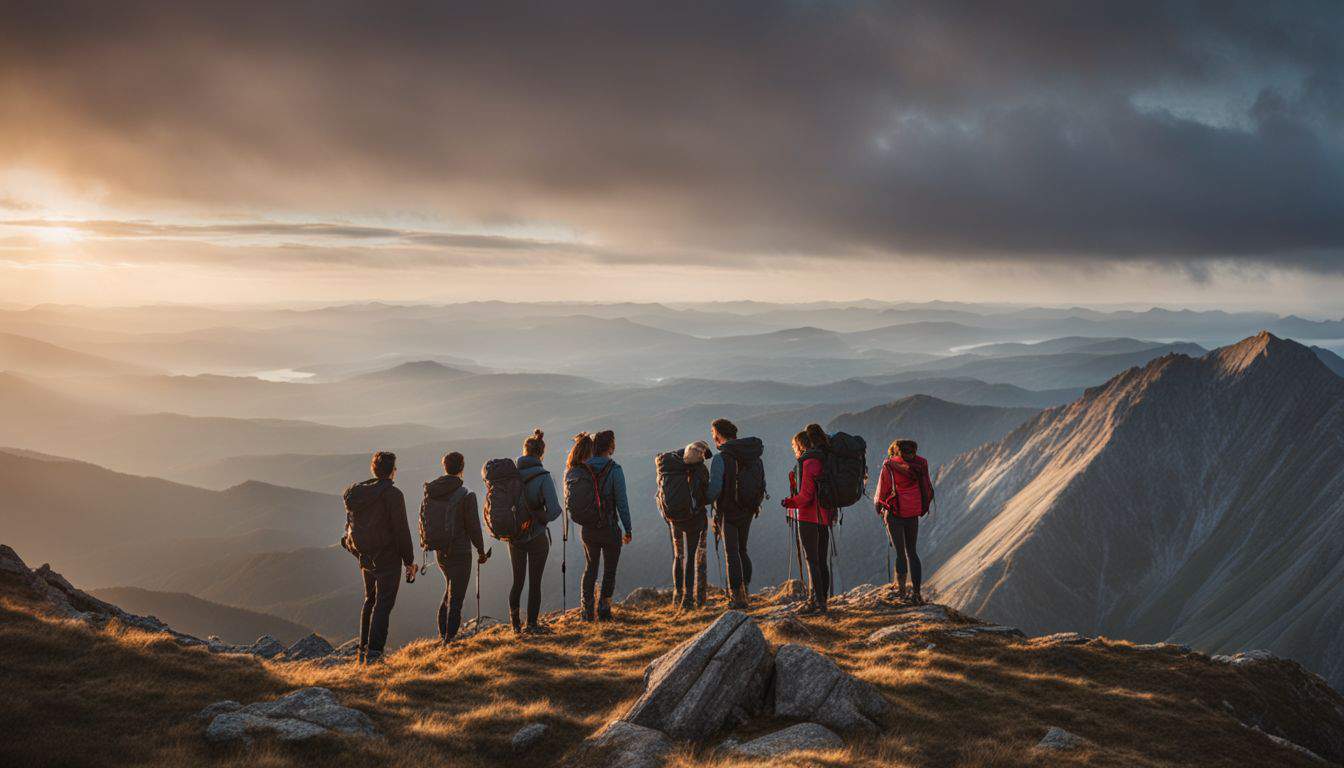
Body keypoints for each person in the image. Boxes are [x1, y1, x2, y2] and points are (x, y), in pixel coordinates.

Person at [341, 451, 415, 665]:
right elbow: (401, 530)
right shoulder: (393, 495)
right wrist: (408, 561)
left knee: (370, 601)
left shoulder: (356, 494)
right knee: (383, 604)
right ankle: (374, 655)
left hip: (364, 556)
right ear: (392, 471)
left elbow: (350, 525)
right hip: (387, 557)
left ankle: (363, 650)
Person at [421, 451, 488, 644]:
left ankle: (444, 636)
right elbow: (474, 527)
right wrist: (481, 551)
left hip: (440, 551)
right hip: (460, 552)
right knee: (456, 598)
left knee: (450, 589)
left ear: (445, 467)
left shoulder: (432, 491)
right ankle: (449, 641)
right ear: (461, 468)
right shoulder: (466, 495)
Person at [569, 430, 632, 621]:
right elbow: (621, 502)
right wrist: (628, 528)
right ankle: (604, 610)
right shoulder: (614, 469)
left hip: (588, 529)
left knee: (590, 568)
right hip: (609, 527)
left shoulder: (582, 467)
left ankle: (586, 611)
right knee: (609, 570)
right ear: (610, 447)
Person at [706, 418, 766, 609]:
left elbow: (714, 489)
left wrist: (701, 500)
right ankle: (745, 590)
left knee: (731, 553)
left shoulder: (721, 458)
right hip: (748, 509)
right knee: (742, 550)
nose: (713, 438)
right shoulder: (752, 454)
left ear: (719, 435)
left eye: (714, 435)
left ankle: (737, 597)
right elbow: (761, 483)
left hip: (728, 511)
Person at [511, 429, 563, 634]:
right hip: (536, 536)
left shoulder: (510, 476)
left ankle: (515, 625)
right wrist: (539, 516)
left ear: (524, 452)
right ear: (541, 454)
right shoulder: (543, 477)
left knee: (517, 581)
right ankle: (531, 624)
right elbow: (555, 510)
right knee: (535, 581)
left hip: (514, 536)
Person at [781, 426, 836, 614]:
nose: (794, 451)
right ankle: (823, 601)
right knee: (821, 561)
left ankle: (816, 602)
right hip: (825, 517)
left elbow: (806, 496)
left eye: (794, 447)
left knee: (812, 560)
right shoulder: (823, 459)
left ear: (800, 445)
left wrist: (789, 502)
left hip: (809, 517)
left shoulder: (807, 462)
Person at [875, 438, 934, 604]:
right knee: (912, 552)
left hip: (895, 514)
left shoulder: (889, 466)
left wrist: (880, 508)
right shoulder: (920, 466)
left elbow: (883, 492)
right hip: (913, 514)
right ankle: (916, 593)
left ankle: (901, 592)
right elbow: (927, 488)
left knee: (900, 554)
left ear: (896, 451)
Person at [665, 441, 712, 611]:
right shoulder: (700, 471)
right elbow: (705, 495)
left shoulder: (673, 469)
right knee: (692, 557)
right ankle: (690, 600)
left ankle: (677, 596)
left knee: (679, 557)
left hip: (675, 520)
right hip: (694, 520)